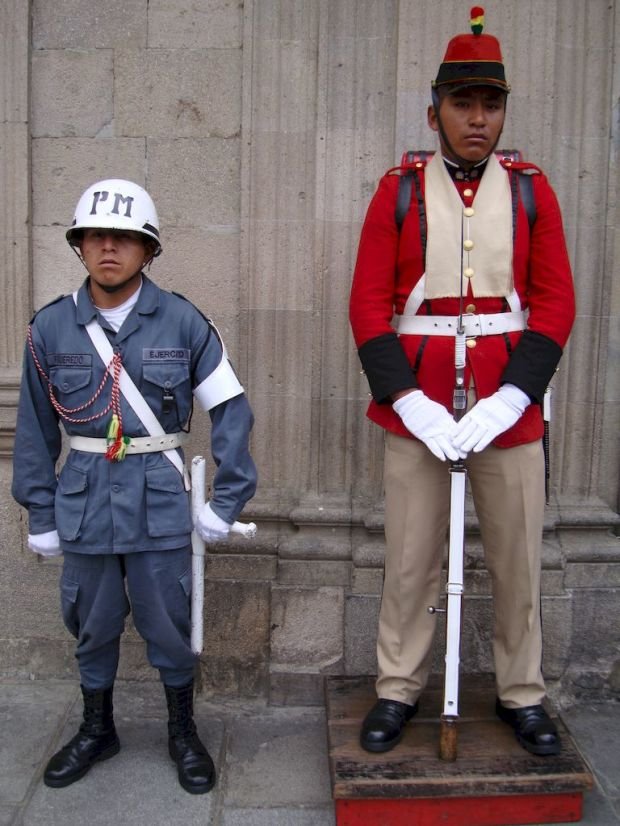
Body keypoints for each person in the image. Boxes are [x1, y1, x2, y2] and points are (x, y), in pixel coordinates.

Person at [349, 6, 575, 757]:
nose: (478, 120)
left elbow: (555, 302)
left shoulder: (532, 189)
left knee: (517, 559)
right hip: (416, 412)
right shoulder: (400, 189)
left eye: (491, 104)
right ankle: (397, 687)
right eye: (463, 103)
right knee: (410, 558)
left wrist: (514, 395)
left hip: (509, 414)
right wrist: (406, 399)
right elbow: (366, 303)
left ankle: (522, 692)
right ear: (434, 110)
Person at [12, 178, 257, 794]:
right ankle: (98, 729)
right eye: (96, 236)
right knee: (90, 622)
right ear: (80, 247)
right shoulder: (50, 329)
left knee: (169, 620)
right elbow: (37, 427)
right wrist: (40, 511)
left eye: (125, 238)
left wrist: (226, 501)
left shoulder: (184, 320)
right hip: (85, 499)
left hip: (160, 498)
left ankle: (182, 730)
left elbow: (231, 410)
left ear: (148, 250)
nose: (109, 249)